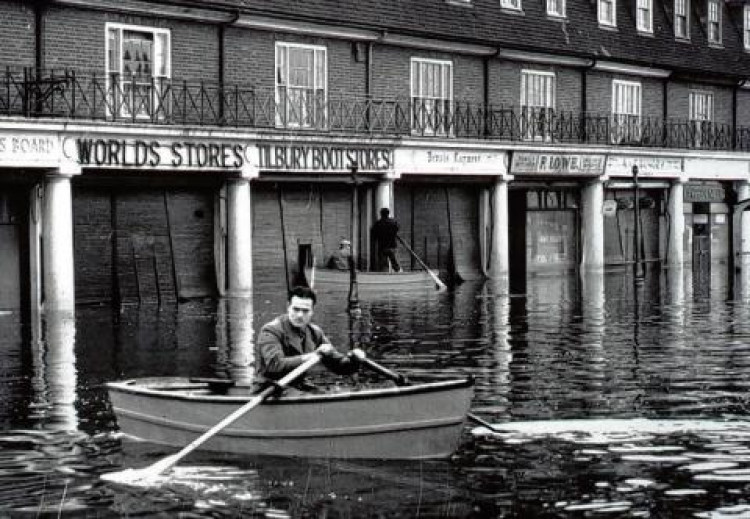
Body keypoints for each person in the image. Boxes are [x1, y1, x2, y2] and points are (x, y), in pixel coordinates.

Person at [254, 285, 359, 393]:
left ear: (312, 311)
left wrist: (355, 360)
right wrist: (310, 357)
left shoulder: (315, 332)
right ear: (288, 307)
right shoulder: (270, 331)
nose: (300, 315)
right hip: (269, 389)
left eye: (305, 311)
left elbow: (339, 367)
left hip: (296, 386)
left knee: (324, 394)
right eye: (296, 309)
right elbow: (275, 365)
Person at [371, 207, 401, 272]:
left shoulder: (378, 223)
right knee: (395, 262)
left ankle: (385, 275)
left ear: (381, 214)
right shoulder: (393, 222)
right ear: (388, 214)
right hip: (392, 246)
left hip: (382, 247)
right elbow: (397, 228)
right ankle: (398, 273)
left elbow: (373, 234)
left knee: (383, 264)